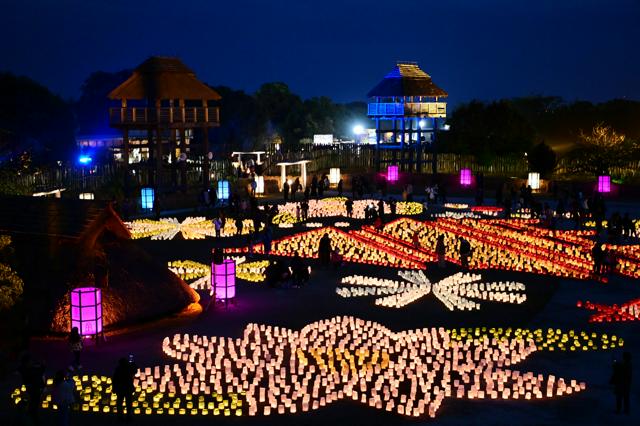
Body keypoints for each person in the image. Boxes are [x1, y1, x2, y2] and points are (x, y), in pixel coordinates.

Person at [18, 354, 45, 424]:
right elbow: (36, 374)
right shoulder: (26, 370)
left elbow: (39, 371)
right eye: (30, 361)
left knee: (34, 403)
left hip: (34, 388)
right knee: (34, 403)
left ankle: (31, 415)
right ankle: (32, 417)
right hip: (33, 389)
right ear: (26, 362)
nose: (31, 362)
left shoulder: (28, 369)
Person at [113, 357, 137, 422]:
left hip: (120, 389)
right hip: (127, 388)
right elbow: (135, 371)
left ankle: (121, 416)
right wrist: (133, 364)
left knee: (120, 402)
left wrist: (114, 388)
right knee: (127, 402)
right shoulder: (128, 369)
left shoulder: (118, 369)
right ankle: (127, 415)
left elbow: (114, 379)